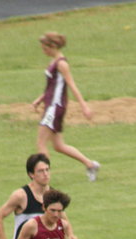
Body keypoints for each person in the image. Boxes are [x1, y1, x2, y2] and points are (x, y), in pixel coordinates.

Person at [31, 32, 100, 182]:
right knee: (58, 145)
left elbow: (71, 85)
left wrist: (84, 106)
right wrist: (40, 99)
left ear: (53, 46)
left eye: (45, 48)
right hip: (51, 106)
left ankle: (43, 179)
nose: (43, 51)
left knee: (41, 143)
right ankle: (90, 165)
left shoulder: (61, 64)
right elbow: (52, 86)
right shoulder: (53, 62)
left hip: (55, 107)